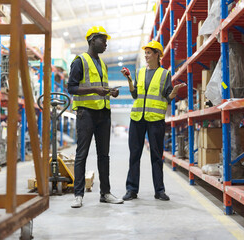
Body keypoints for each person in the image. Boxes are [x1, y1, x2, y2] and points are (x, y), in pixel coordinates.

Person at [120, 40, 186, 201]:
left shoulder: (165, 74)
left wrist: (175, 92)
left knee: (156, 155)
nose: (146, 55)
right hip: (137, 118)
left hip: (155, 119)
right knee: (134, 154)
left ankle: (159, 190)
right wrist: (129, 79)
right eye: (146, 52)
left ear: (157, 55)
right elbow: (135, 94)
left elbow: (167, 97)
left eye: (149, 52)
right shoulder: (140, 72)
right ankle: (131, 190)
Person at [68, 26, 124, 208]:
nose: (106, 44)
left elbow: (101, 89)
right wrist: (95, 90)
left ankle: (105, 193)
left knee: (104, 156)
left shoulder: (103, 64)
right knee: (81, 155)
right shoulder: (80, 61)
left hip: (103, 113)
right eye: (103, 40)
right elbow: (71, 88)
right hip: (86, 114)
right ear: (92, 40)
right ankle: (78, 195)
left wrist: (110, 92)